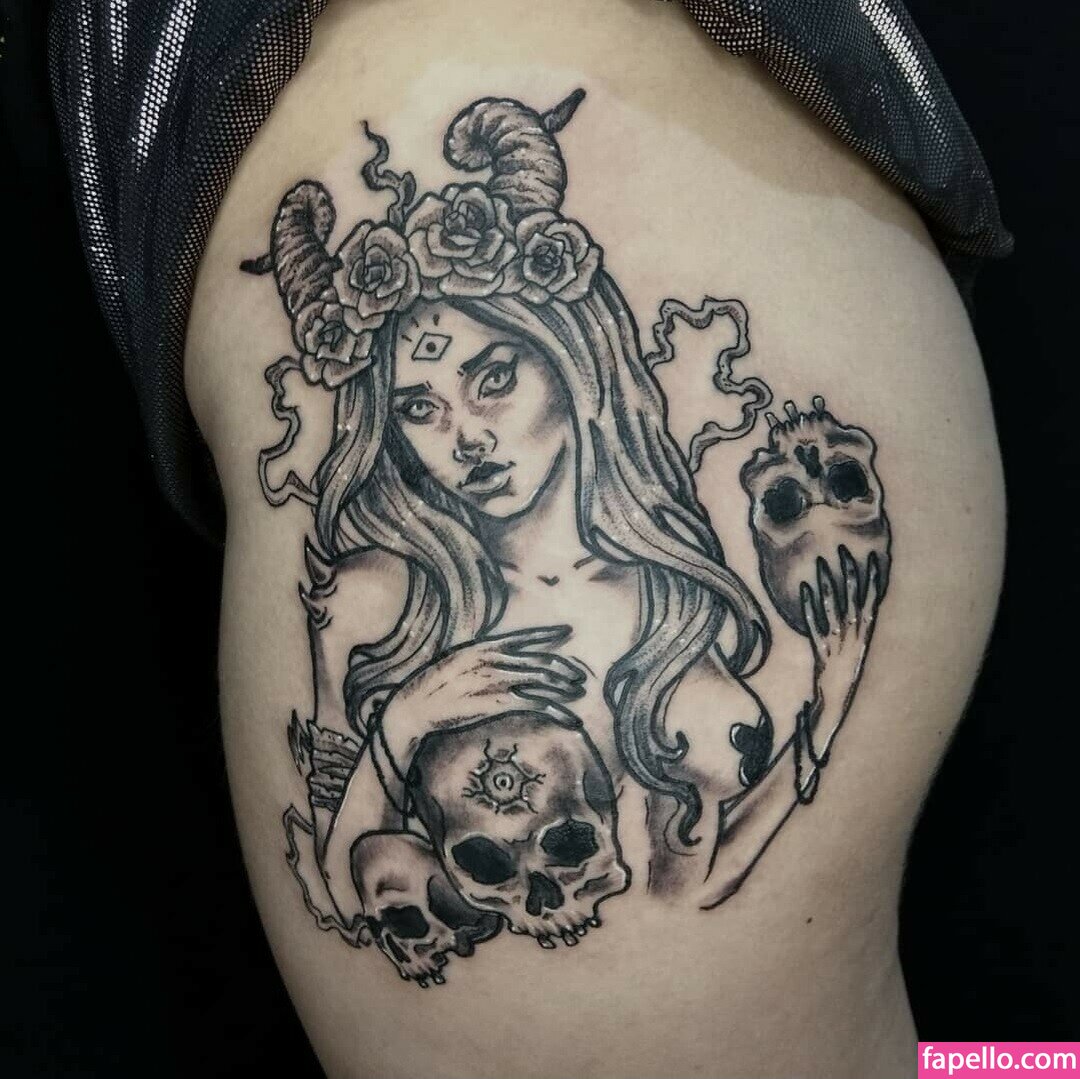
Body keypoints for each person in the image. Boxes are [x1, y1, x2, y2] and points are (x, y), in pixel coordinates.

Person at [55, 0, 1011, 1074]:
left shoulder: (671, 597)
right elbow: (342, 882)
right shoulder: (378, 603)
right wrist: (402, 720)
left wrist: (831, 681)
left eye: (494, 377)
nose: (465, 436)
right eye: (420, 409)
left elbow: (699, 911)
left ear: (573, 359)